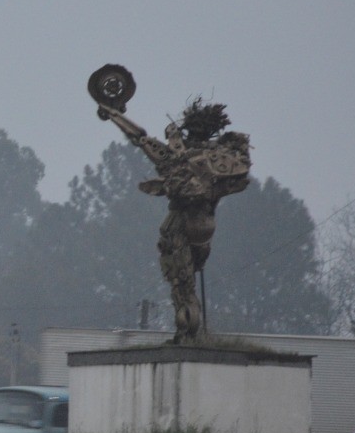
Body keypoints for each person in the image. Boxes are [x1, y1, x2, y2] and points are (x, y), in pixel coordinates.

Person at [94, 93, 252, 342]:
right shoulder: (221, 156)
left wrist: (114, 115)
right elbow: (238, 180)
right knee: (186, 276)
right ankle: (190, 328)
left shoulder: (181, 156)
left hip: (180, 224)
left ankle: (187, 329)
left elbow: (141, 138)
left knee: (181, 281)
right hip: (204, 223)